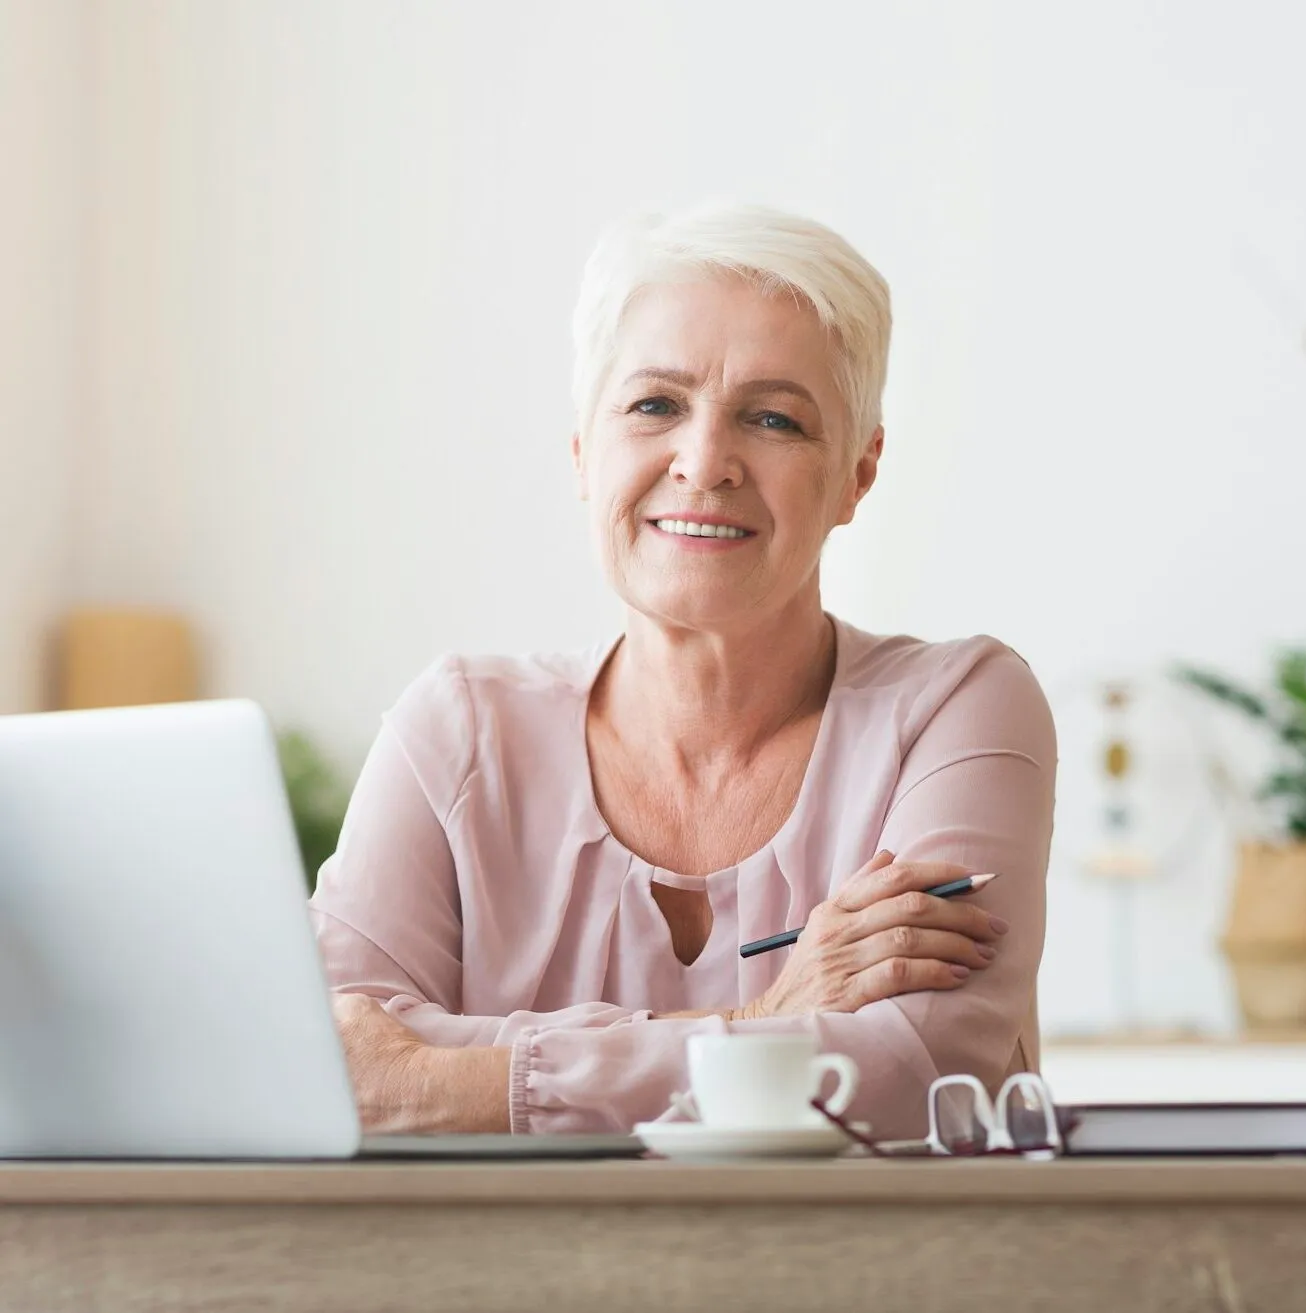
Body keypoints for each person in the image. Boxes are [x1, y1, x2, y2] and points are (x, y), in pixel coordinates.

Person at [310, 204, 1057, 1138]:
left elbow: (913, 1073)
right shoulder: (456, 728)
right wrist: (758, 1023)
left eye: (774, 418)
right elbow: (331, 1063)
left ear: (856, 476)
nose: (704, 463)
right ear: (584, 451)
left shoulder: (956, 709)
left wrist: (458, 1077)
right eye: (654, 404)